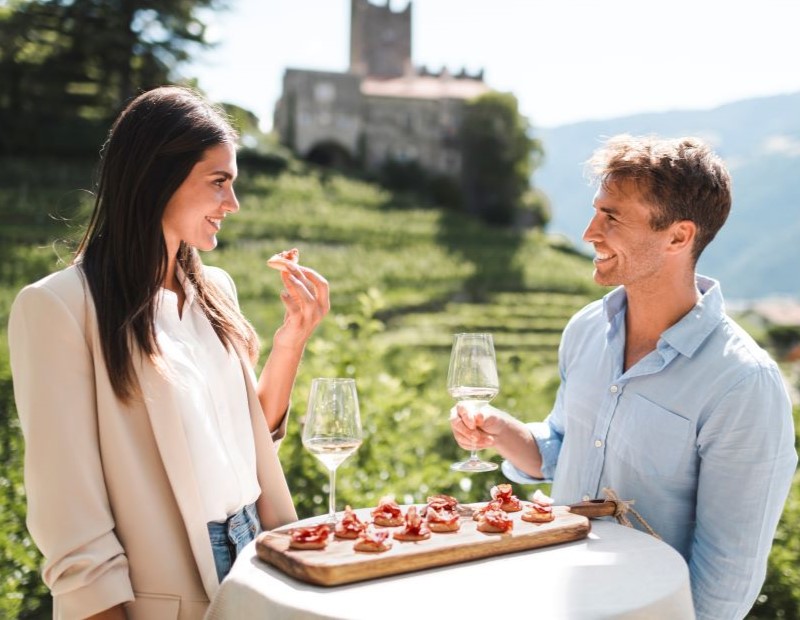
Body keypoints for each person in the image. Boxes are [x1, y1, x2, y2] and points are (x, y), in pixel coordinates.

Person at [8, 85, 330, 619]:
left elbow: (250, 440)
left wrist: (291, 339)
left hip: (261, 559)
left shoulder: (216, 291)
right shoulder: (59, 308)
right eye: (219, 182)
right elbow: (73, 528)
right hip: (168, 592)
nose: (233, 204)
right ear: (157, 179)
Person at [450, 134, 797, 619]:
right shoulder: (586, 330)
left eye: (612, 217)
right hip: (558, 597)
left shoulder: (742, 383)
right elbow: (565, 450)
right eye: (597, 211)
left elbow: (727, 574)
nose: (590, 232)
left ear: (678, 236)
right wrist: (504, 432)